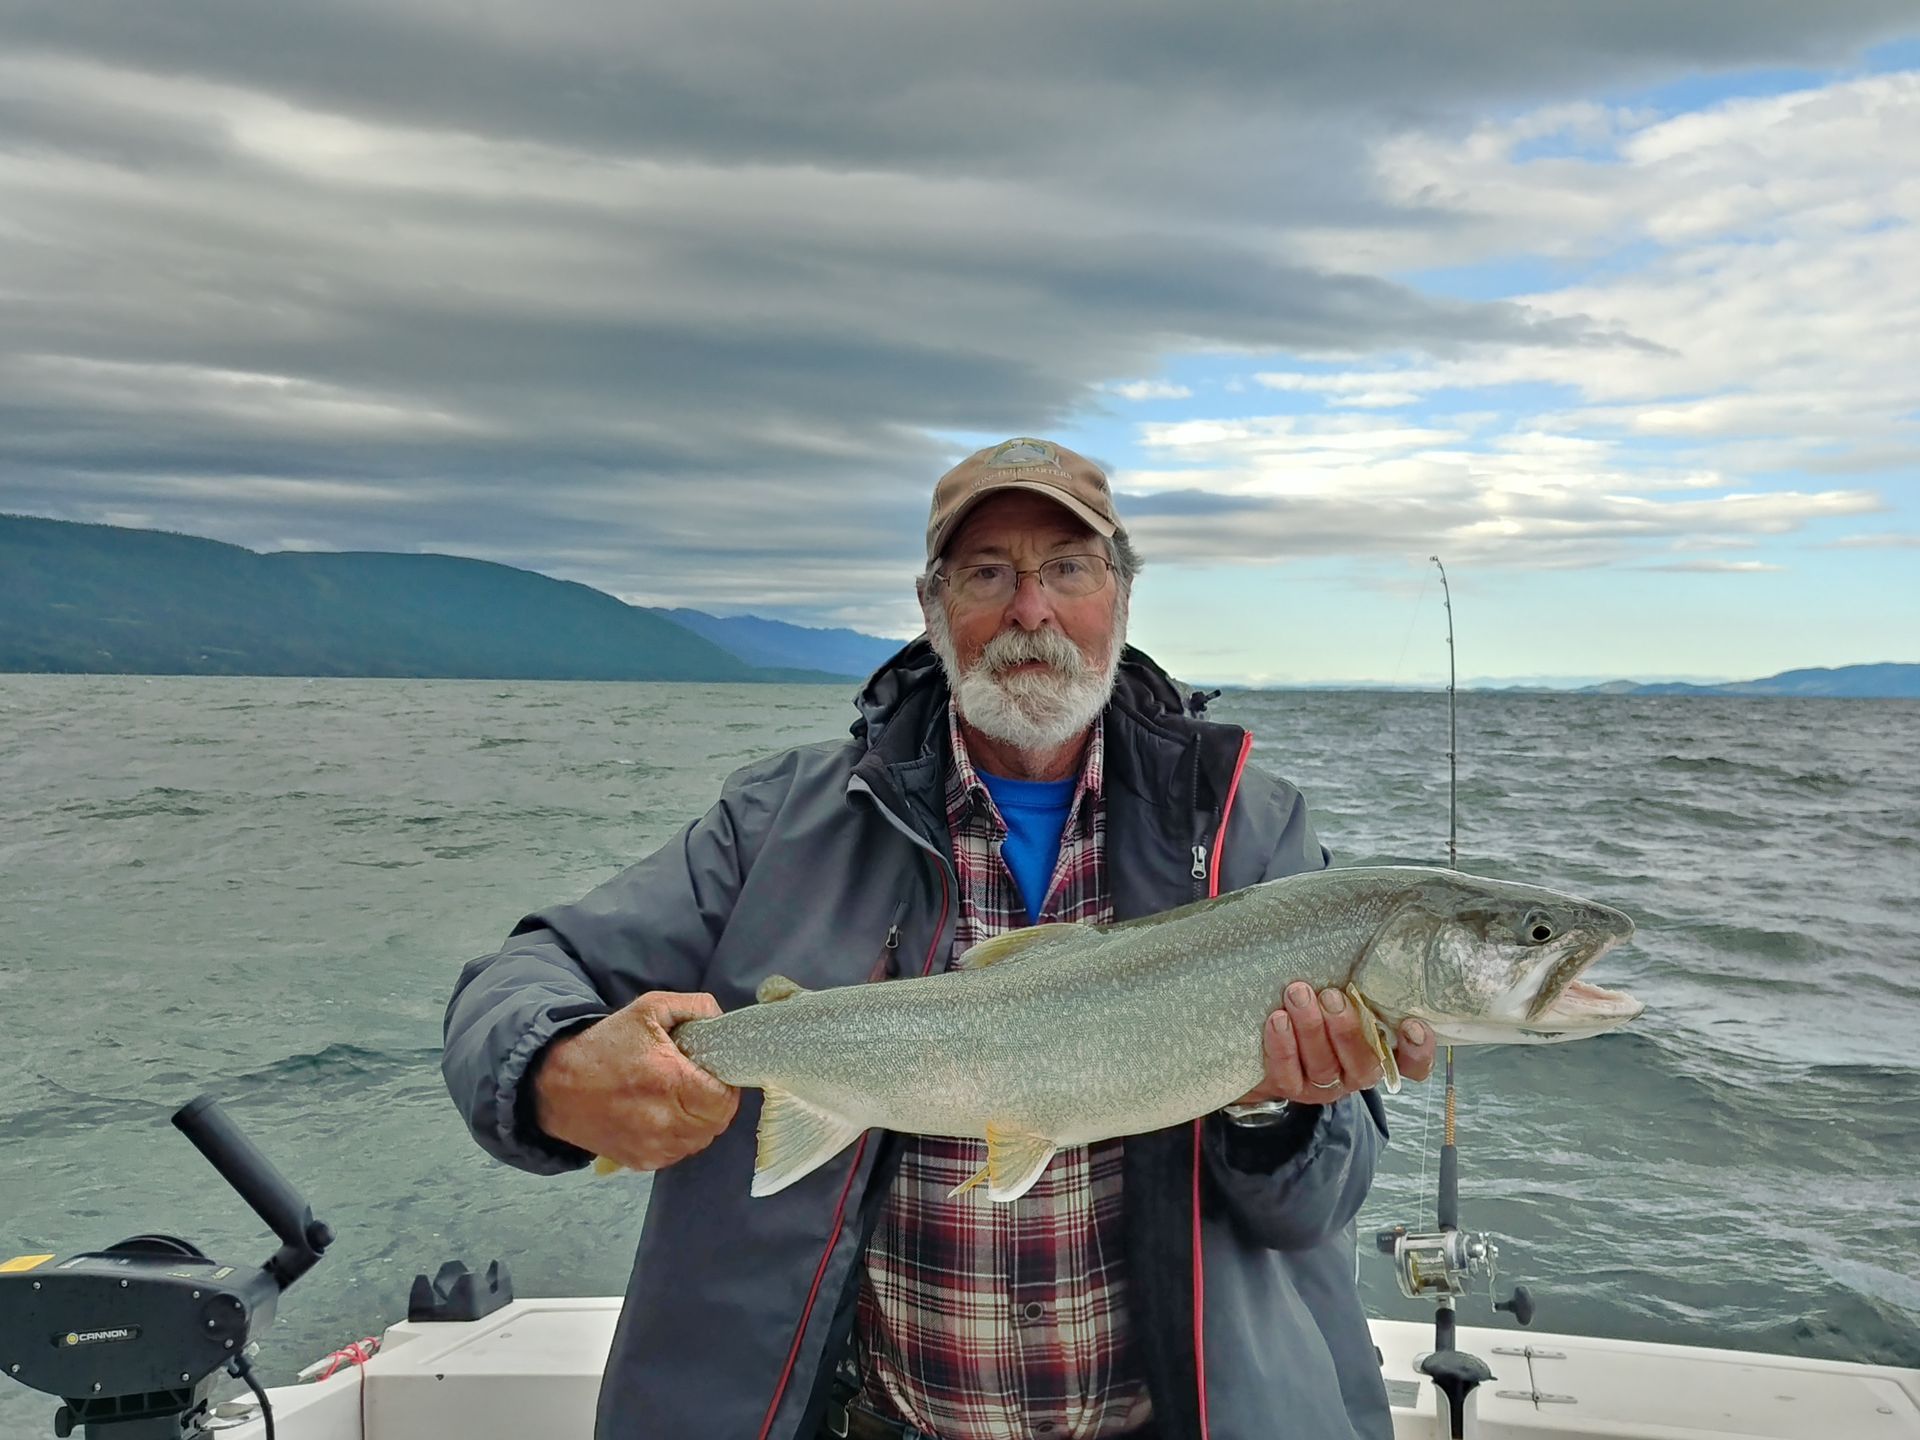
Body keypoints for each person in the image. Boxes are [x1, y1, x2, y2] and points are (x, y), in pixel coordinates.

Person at [442, 436, 1436, 1440]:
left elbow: (1321, 1206)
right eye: (988, 574)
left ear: (1121, 597)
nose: (1030, 610)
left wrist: (1281, 1111)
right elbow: (519, 980)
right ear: (932, 608)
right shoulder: (778, 822)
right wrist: (555, 1070)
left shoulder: (1245, 829)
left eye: (1066, 569)